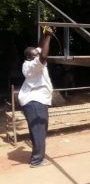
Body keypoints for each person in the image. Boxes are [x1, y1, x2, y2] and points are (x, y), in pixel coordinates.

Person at [18, 26, 54, 168]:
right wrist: (50, 36)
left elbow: (40, 47)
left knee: (38, 130)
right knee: (39, 131)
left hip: (36, 101)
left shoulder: (33, 60)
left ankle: (37, 157)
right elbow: (44, 55)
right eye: (35, 52)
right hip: (35, 102)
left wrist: (44, 34)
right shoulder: (31, 65)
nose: (38, 52)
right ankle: (37, 160)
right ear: (30, 56)